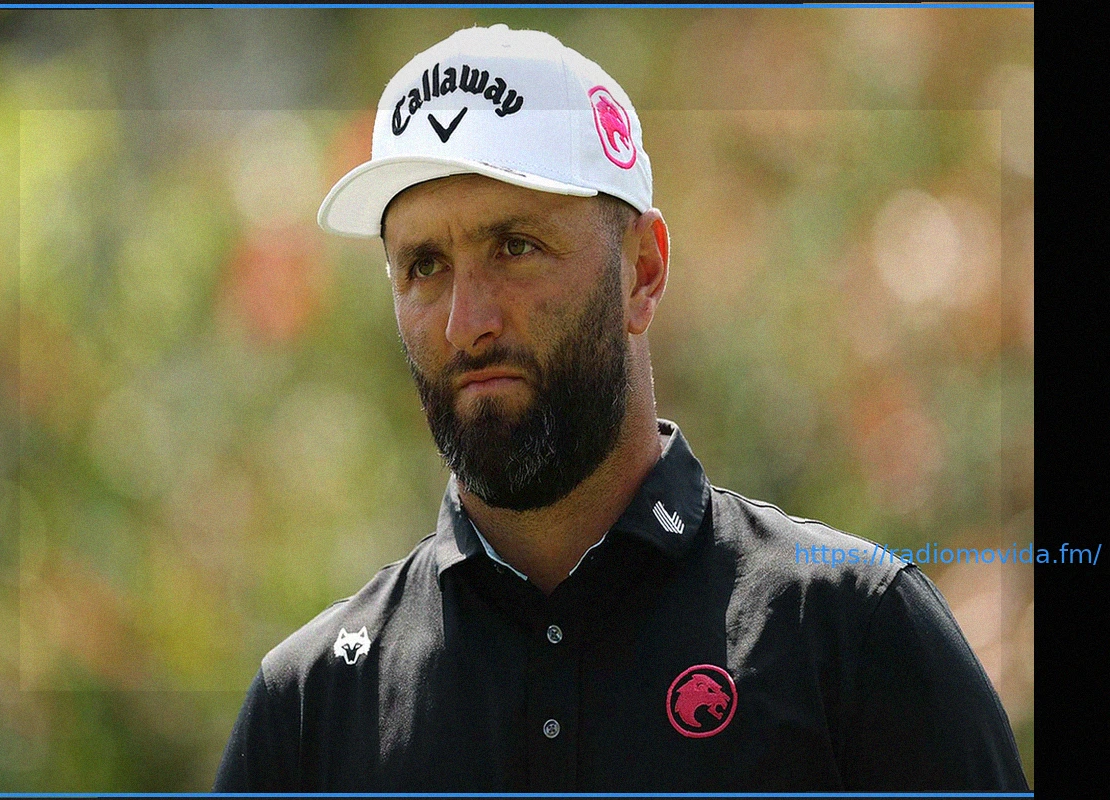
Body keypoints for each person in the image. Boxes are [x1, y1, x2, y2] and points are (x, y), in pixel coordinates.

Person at [213, 24, 1028, 792]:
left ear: (643, 271)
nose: (467, 322)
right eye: (424, 265)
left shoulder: (856, 636)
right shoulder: (308, 707)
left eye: (516, 247)